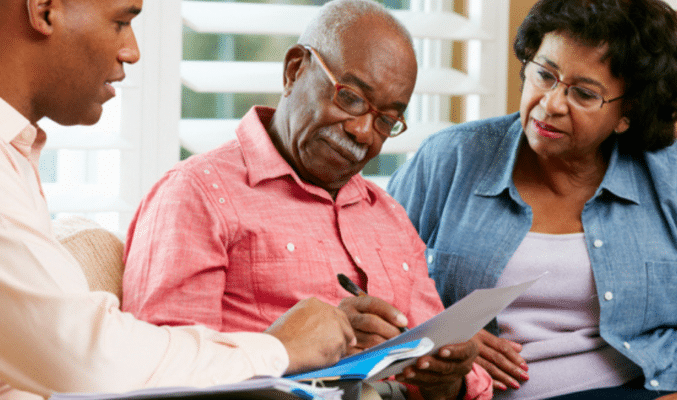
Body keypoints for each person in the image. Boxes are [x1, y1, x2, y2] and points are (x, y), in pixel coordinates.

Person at [121, 0, 492, 399]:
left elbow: (438, 366)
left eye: (386, 120)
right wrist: (298, 351)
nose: (364, 131)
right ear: (295, 70)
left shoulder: (388, 215)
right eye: (350, 98)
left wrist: (448, 378)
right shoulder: (197, 194)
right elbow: (163, 375)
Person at [0, 0, 358, 398]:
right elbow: (89, 361)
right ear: (45, 10)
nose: (132, 52)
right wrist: (278, 349)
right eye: (121, 22)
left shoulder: (14, 154)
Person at [387, 0, 677, 399]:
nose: (551, 103)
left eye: (584, 94)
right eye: (544, 74)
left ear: (627, 113)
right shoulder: (450, 159)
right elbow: (370, 277)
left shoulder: (666, 178)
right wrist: (438, 331)